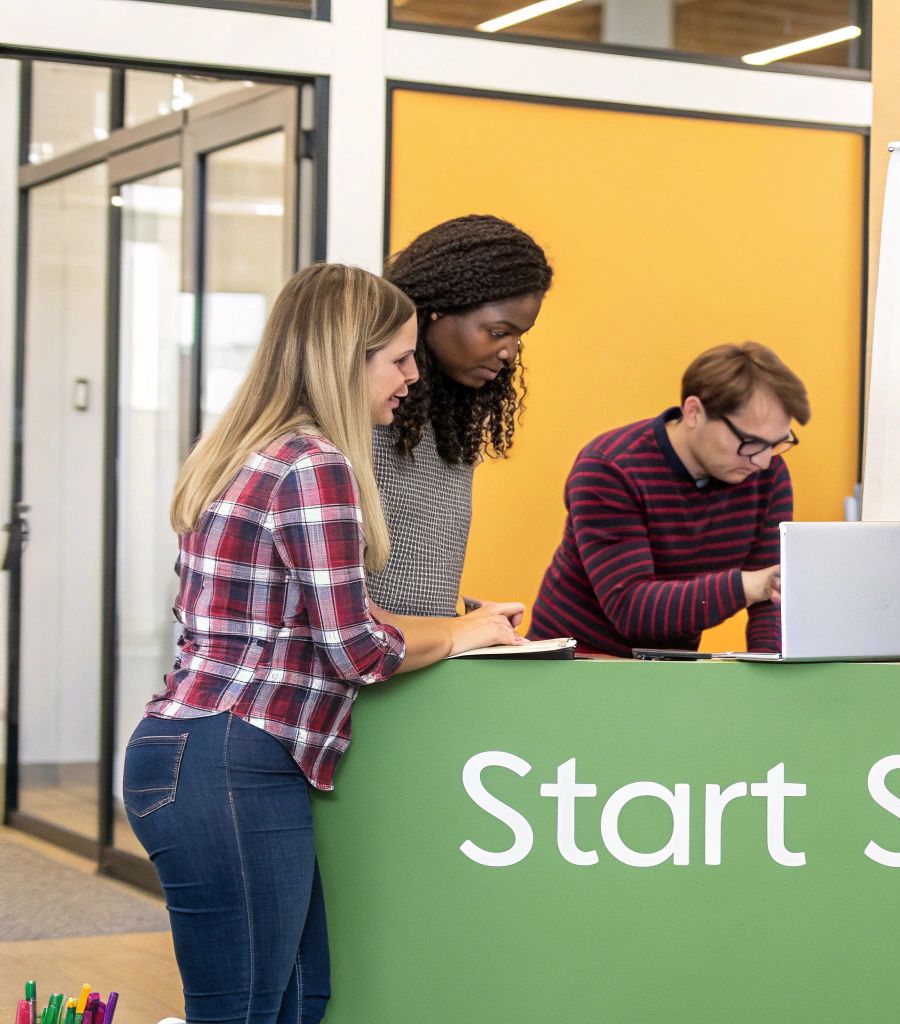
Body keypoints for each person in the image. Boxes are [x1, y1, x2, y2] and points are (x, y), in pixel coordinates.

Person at [123, 264, 523, 1023]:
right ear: (347, 358)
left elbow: (307, 616)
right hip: (230, 762)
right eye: (399, 358)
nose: (414, 375)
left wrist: (461, 620)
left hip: (200, 754)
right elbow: (358, 650)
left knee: (300, 1001)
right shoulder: (316, 466)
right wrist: (465, 635)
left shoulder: (251, 451)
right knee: (248, 1010)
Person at [528, 341, 809, 656]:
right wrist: (747, 586)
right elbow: (631, 608)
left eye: (776, 444)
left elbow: (772, 594)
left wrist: (770, 673)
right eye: (750, 442)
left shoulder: (766, 475)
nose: (763, 461)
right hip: (574, 660)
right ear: (694, 412)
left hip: (666, 663)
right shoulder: (611, 468)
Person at [368, 214, 553, 617]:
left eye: (520, 337)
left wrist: (464, 617)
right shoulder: (361, 420)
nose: (510, 353)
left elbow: (410, 580)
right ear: (437, 310)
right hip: (359, 669)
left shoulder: (452, 426)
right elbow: (342, 609)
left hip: (415, 665)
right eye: (499, 332)